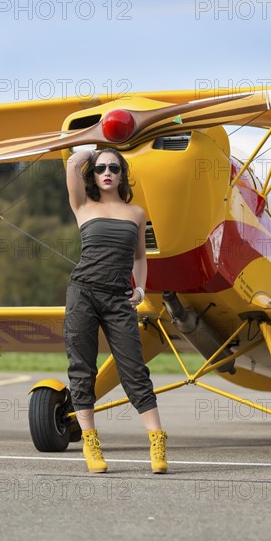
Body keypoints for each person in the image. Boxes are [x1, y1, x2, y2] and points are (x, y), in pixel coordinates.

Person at [64, 147, 167, 474]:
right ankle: (90, 440)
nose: (106, 172)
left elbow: (140, 258)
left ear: (122, 174)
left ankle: (157, 441)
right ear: (92, 175)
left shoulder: (136, 213)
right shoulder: (83, 205)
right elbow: (71, 161)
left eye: (113, 167)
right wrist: (98, 143)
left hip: (119, 299)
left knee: (134, 370)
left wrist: (140, 290)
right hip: (82, 293)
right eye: (99, 168)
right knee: (82, 368)